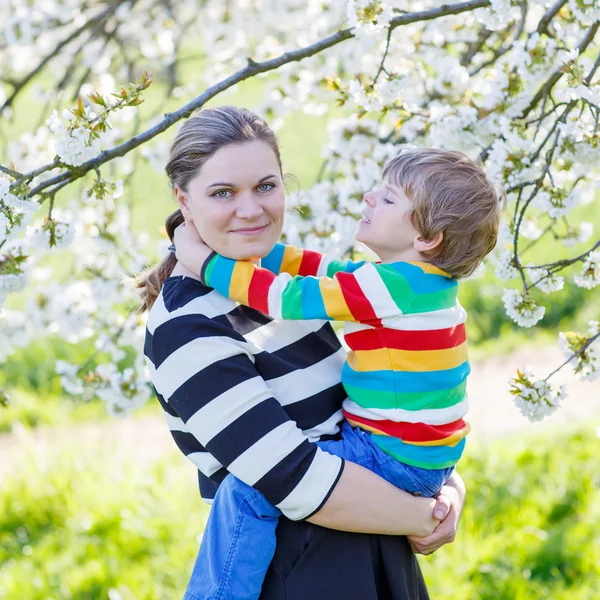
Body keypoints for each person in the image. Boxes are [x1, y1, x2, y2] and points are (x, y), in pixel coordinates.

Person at [137, 105, 466, 600]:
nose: (250, 209)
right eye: (223, 193)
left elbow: (380, 415)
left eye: (265, 186)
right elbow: (292, 479)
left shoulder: (287, 290)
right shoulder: (188, 324)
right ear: (183, 201)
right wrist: (425, 513)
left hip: (378, 556)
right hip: (297, 572)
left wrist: (448, 489)